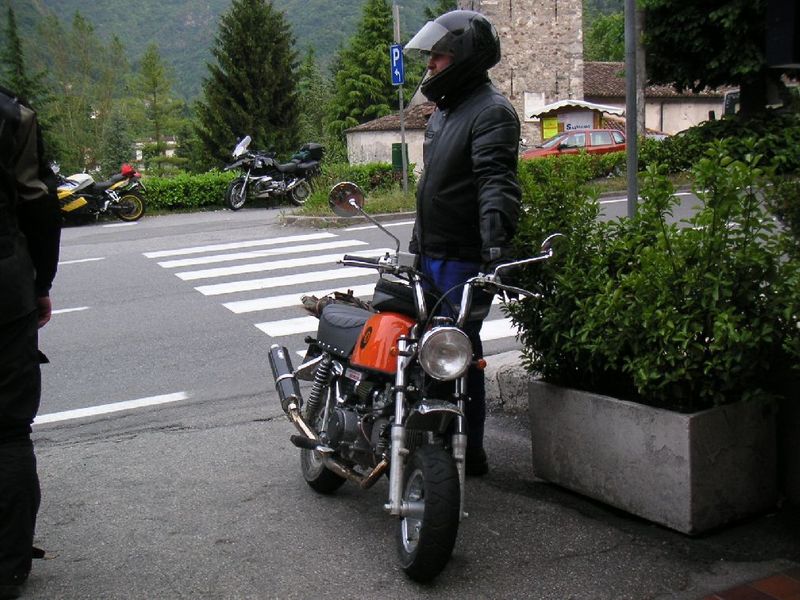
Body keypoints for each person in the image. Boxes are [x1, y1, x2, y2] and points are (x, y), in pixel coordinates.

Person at [404, 10, 521, 476]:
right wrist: (417, 245)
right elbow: (435, 189)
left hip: (463, 259)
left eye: (439, 55)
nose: (430, 64)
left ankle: (468, 450)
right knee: (424, 349)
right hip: (432, 253)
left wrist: (494, 249)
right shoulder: (447, 111)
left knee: (458, 352)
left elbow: (497, 182)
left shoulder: (490, 111)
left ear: (465, 57)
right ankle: (431, 442)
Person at [0, 86, 61, 599]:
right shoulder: (12, 115)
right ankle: (7, 566)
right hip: (4, 284)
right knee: (7, 431)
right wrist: (41, 282)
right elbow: (38, 200)